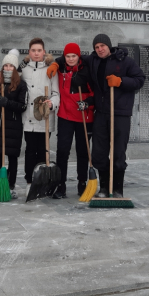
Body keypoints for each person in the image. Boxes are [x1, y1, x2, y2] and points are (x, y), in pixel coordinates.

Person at [83, 33, 145, 198]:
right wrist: (55, 63)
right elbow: (72, 59)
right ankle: (104, 188)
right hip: (101, 113)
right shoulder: (93, 60)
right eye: (96, 47)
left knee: (118, 152)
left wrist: (121, 81)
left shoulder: (125, 61)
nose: (100, 49)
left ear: (109, 46)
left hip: (120, 113)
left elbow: (140, 79)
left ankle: (117, 189)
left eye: (102, 46)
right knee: (99, 151)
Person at [46, 43, 95, 199]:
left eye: (74, 56)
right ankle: (61, 185)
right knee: (62, 151)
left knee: (82, 151)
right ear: (64, 57)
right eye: (68, 56)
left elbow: (96, 93)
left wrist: (87, 103)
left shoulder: (87, 70)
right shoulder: (61, 68)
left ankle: (82, 183)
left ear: (78, 56)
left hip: (83, 117)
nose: (71, 59)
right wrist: (55, 63)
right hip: (65, 116)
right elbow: (59, 61)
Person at [20, 37, 60, 196]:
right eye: (33, 51)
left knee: (43, 151)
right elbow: (12, 80)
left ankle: (42, 181)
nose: (36, 53)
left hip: (45, 118)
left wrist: (52, 103)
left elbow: (56, 93)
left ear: (44, 52)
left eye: (39, 50)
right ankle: (30, 181)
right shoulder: (24, 69)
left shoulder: (51, 69)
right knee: (30, 150)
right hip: (28, 118)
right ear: (29, 52)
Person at [0, 49, 28, 199]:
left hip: (13, 126)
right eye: (6, 66)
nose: (8, 68)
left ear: (15, 68)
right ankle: (0, 184)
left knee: (12, 157)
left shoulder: (21, 85)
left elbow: (23, 106)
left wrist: (8, 103)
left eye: (11, 65)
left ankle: (10, 186)